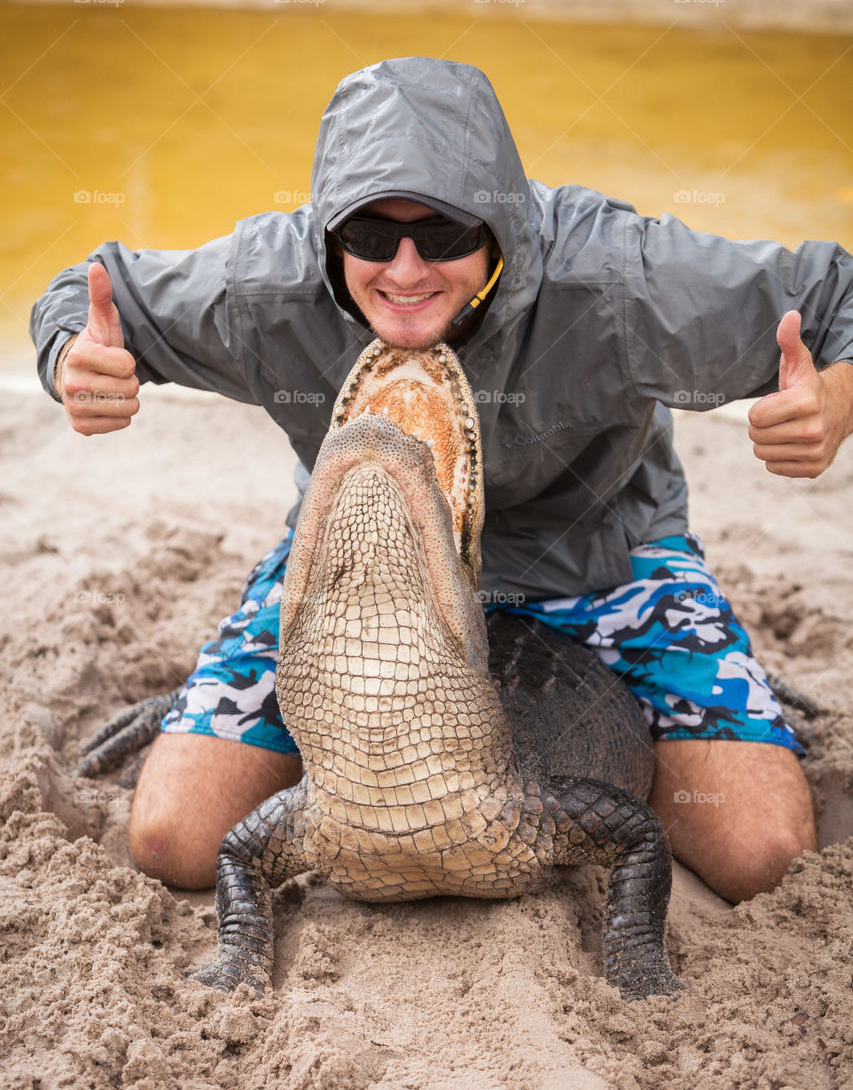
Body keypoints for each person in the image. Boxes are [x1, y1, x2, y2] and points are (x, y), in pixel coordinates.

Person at [31, 57, 853, 902]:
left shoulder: (618, 278)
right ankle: (238, 699)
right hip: (363, 562)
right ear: (329, 230)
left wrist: (835, 395)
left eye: (448, 236)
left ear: (500, 223)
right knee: (175, 840)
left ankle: (680, 672)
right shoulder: (264, 282)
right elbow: (89, 294)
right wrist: (76, 362)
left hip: (600, 560)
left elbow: (836, 294)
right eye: (371, 237)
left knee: (763, 859)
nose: (407, 270)